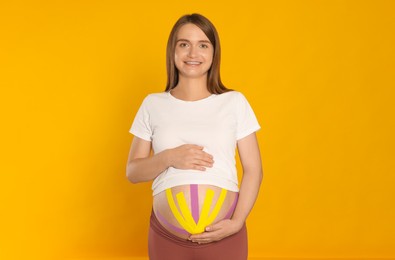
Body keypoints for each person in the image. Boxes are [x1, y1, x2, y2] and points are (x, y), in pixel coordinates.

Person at [126, 13, 263, 260]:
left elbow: (254, 170)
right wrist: (169, 157)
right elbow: (133, 172)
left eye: (202, 45)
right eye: (184, 44)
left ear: (214, 52)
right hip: (167, 239)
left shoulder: (234, 102)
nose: (193, 53)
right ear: (173, 51)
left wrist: (237, 222)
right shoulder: (152, 104)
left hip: (225, 237)